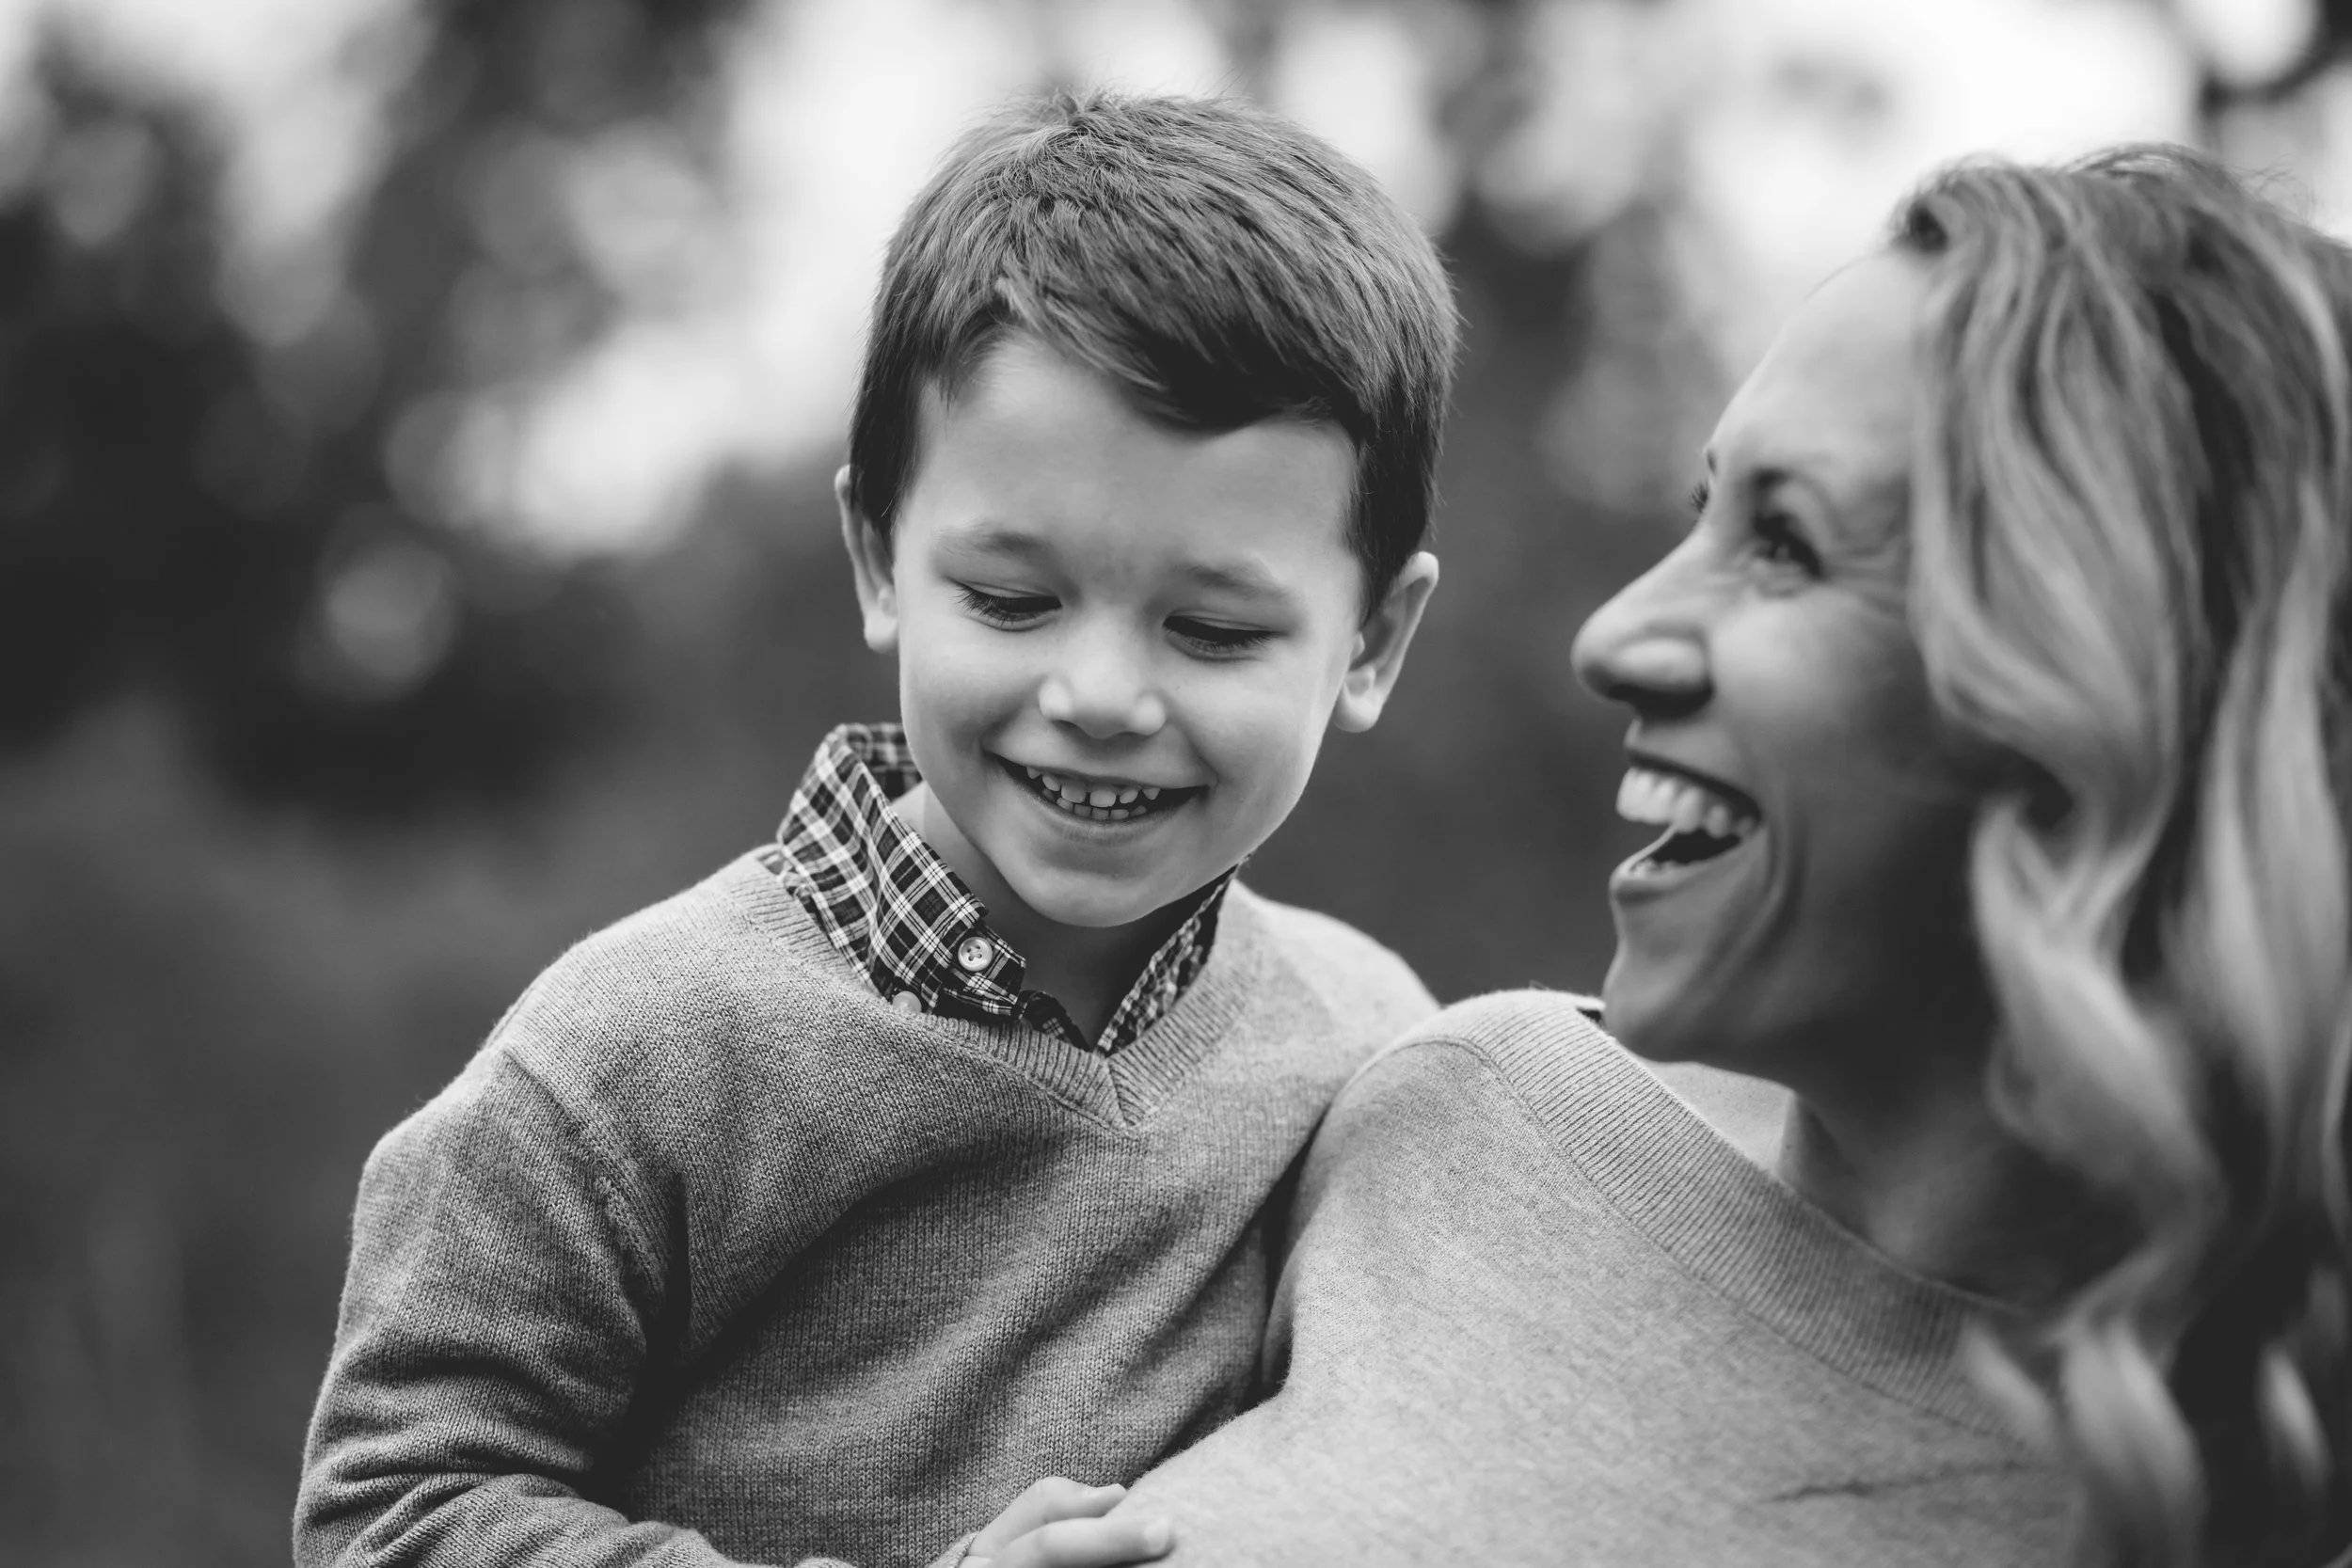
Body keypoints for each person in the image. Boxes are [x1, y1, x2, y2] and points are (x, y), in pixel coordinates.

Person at [1108, 146, 2352, 1567]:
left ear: (2115, 697)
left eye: (1787, 546)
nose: (1615, 636)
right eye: (1706, 510)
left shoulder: (2246, 1512)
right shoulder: (1457, 1122)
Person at [294, 89, 1454, 1568]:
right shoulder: (638, 1057)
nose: (1098, 694)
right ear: (878, 558)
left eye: (1214, 629)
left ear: (1371, 641)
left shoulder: (1372, 1044)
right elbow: (390, 1508)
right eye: (1013, 599)